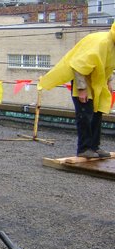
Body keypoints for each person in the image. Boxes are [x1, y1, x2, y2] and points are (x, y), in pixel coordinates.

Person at [39, 23, 115, 159]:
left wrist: (109, 82)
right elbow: (78, 65)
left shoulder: (112, 46)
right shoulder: (103, 43)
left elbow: (108, 65)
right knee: (85, 114)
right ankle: (84, 148)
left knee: (97, 113)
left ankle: (94, 146)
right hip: (83, 79)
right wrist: (82, 89)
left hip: (96, 80)